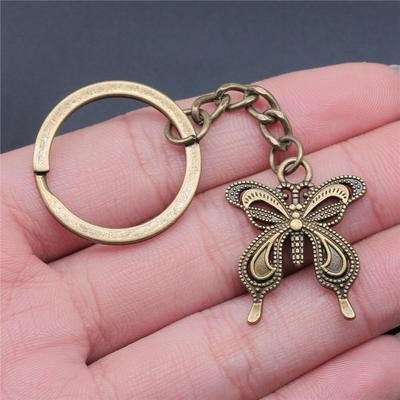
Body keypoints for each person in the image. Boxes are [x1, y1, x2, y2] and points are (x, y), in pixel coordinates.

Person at [1, 63, 400, 400]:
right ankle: (283, 299)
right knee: (277, 269)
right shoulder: (281, 193)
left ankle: (332, 296)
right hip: (298, 227)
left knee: (304, 266)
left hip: (284, 229)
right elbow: (315, 190)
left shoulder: (263, 195)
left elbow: (252, 194)